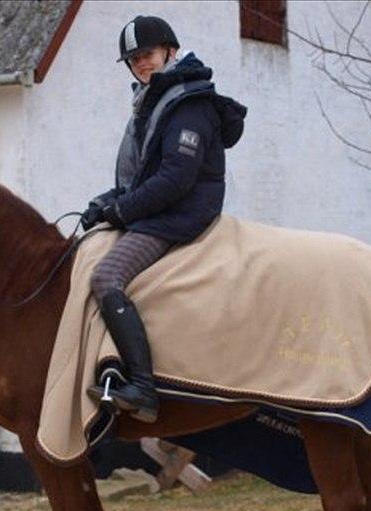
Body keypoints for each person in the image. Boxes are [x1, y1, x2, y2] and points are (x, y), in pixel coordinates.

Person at [82, 15, 247, 424]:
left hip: (179, 215)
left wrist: (122, 211)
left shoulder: (189, 104)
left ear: (170, 51)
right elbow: (141, 177)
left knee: (105, 278)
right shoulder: (154, 102)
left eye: (147, 55)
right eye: (133, 59)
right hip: (160, 210)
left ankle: (142, 388)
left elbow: (176, 178)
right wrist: (103, 202)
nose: (141, 64)